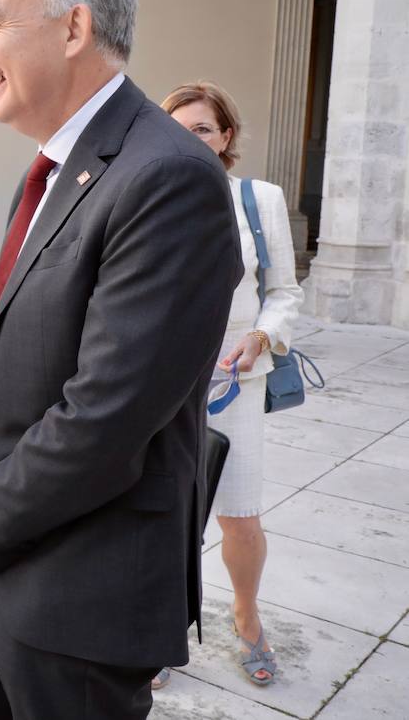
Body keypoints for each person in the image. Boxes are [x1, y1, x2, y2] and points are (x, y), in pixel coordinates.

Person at [0, 0, 243, 719]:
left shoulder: (167, 177)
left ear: (73, 28)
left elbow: (108, 414)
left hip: (75, 596)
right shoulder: (56, 167)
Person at [154, 80, 302, 689]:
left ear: (226, 137)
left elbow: (285, 292)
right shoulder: (152, 198)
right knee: (164, 512)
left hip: (233, 381)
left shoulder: (257, 200)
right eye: (177, 130)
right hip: (161, 386)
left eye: (203, 129)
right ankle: (161, 633)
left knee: (238, 514)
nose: (191, 141)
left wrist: (261, 337)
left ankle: (246, 616)